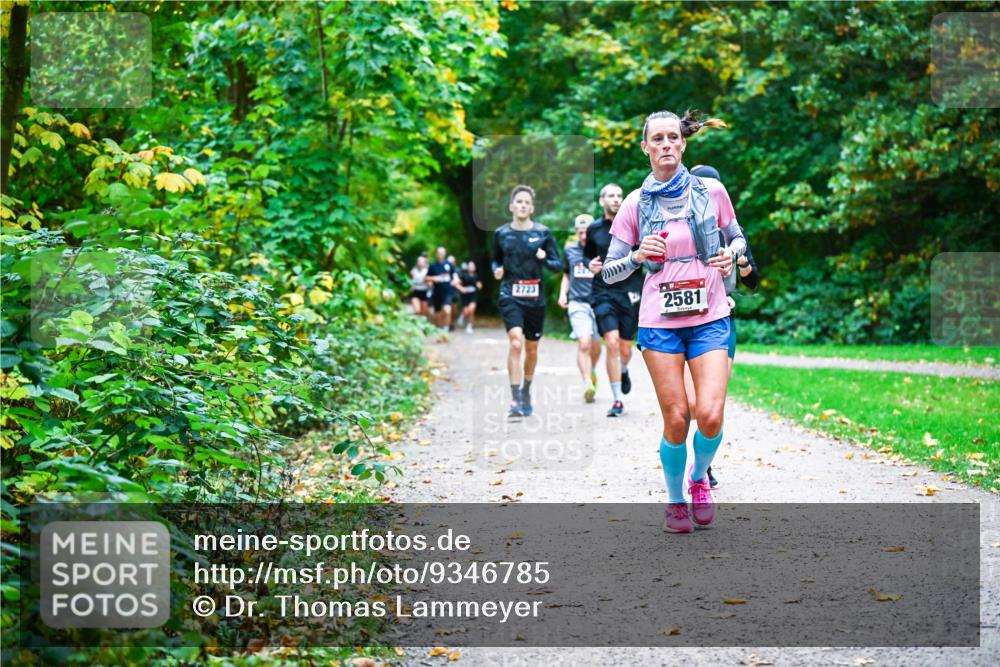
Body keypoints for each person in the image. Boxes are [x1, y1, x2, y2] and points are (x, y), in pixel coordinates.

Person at [601, 110, 745, 533]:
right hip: (660, 323)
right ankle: (675, 500)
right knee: (678, 418)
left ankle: (699, 478)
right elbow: (609, 272)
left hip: (710, 316)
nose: (666, 144)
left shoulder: (711, 191)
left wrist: (731, 255)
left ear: (683, 144)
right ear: (645, 148)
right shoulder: (633, 204)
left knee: (710, 414)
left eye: (672, 137)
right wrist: (637, 256)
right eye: (657, 139)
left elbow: (738, 238)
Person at [682, 164, 762, 490]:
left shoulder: (732, 233)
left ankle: (704, 465)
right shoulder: (679, 227)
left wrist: (741, 263)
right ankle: (687, 452)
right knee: (691, 404)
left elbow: (752, 281)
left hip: (721, 320)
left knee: (714, 400)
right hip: (685, 321)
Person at [492, 184, 562, 418]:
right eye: (519, 202)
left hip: (535, 299)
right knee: (515, 343)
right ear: (511, 206)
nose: (522, 205)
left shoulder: (543, 233)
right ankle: (514, 399)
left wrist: (544, 258)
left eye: (526, 203)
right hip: (510, 294)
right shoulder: (501, 234)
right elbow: (495, 260)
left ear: (532, 208)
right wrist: (496, 269)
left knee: (531, 349)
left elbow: (557, 265)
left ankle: (526, 391)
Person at [585, 183, 644, 418]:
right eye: (611, 195)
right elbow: (587, 256)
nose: (616, 199)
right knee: (611, 342)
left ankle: (624, 369)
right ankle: (617, 400)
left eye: (619, 195)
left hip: (629, 292)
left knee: (625, 348)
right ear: (602, 201)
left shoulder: (635, 225)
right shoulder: (594, 229)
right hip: (603, 292)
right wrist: (590, 264)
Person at [559, 214, 602, 403]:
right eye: (580, 232)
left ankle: (591, 370)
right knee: (584, 343)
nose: (584, 236)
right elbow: (566, 275)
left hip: (599, 302)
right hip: (577, 302)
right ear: (576, 232)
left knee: (596, 346)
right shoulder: (569, 250)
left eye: (587, 232)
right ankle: (587, 383)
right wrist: (563, 294)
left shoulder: (601, 249)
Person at [427, 247, 456, 339]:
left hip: (448, 292)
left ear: (445, 254)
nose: (441, 254)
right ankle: (438, 332)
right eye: (439, 253)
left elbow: (454, 275)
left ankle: (446, 331)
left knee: (447, 311)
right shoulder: (432, 266)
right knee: (437, 315)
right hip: (437, 292)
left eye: (442, 252)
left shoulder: (449, 264)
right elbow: (427, 278)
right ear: (436, 254)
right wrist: (434, 278)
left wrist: (456, 280)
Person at [455, 260, 483, 334]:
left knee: (471, 310)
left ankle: (469, 326)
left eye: (472, 266)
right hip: (465, 296)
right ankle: (463, 316)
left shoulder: (476, 276)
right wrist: (462, 289)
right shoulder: (463, 275)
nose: (471, 267)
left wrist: (479, 286)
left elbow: (480, 284)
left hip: (473, 295)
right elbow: (456, 284)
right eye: (470, 265)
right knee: (466, 311)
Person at [408, 254, 430, 318]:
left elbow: (430, 283)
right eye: (419, 262)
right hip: (415, 292)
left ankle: (421, 322)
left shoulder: (428, 271)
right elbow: (410, 281)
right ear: (417, 263)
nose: (420, 263)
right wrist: (410, 287)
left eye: (422, 262)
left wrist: (427, 280)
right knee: (417, 310)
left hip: (424, 292)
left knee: (423, 313)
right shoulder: (413, 271)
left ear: (424, 263)